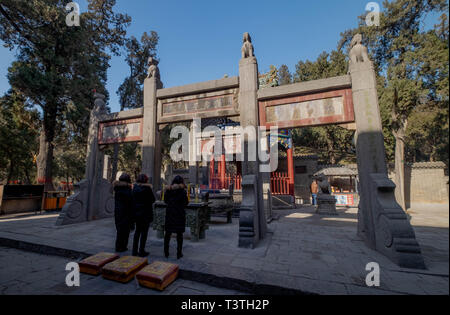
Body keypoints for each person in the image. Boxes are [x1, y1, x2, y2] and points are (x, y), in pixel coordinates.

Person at [163, 175, 189, 259]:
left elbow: (165, 201)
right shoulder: (182, 191)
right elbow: (186, 203)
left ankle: (166, 252)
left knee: (167, 234)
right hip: (179, 214)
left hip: (170, 213)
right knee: (179, 235)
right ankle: (179, 253)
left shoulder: (168, 190)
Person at [132, 174, 155, 257]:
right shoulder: (147, 189)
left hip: (137, 212)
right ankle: (141, 250)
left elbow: (132, 199)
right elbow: (152, 199)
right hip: (145, 213)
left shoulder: (134, 188)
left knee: (137, 231)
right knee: (144, 233)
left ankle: (134, 251)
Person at [113, 173, 134, 252]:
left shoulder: (117, 188)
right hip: (126, 212)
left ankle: (118, 246)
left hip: (118, 212)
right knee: (126, 231)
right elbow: (131, 203)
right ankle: (123, 246)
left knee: (119, 231)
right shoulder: (128, 190)